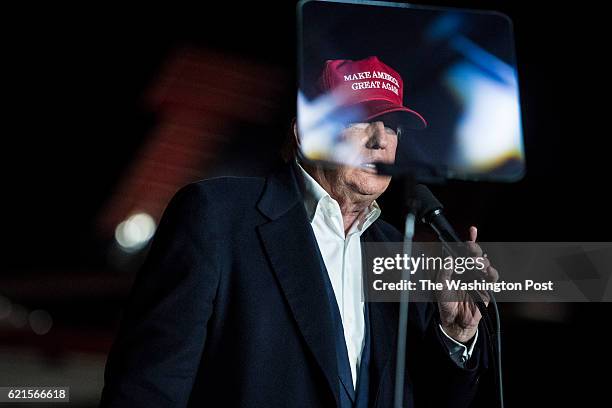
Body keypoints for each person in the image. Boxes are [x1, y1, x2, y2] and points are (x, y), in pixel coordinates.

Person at [100, 56, 498, 408]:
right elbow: (148, 386)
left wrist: (456, 333)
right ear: (304, 132)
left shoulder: (399, 250)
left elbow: (430, 398)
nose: (380, 140)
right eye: (360, 119)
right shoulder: (217, 216)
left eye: (392, 127)